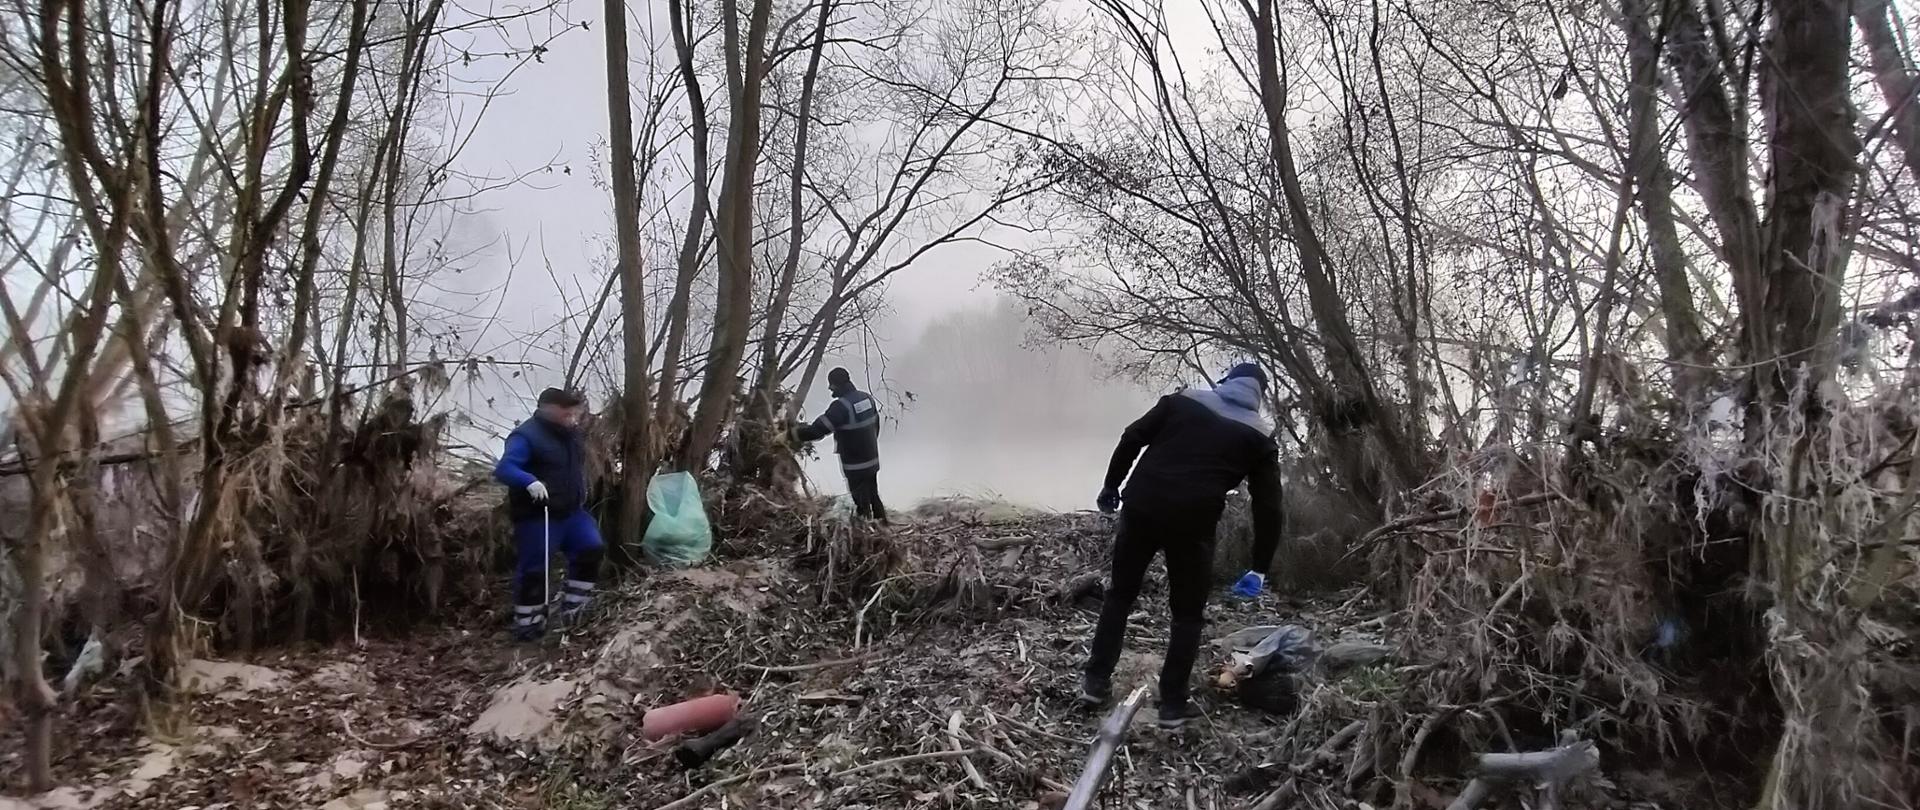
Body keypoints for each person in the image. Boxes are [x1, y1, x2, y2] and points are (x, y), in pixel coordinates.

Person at [1082, 363, 1284, 730]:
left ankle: (1095, 683)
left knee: (1120, 596)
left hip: (1143, 505)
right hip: (1193, 523)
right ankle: (1172, 704)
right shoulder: (1259, 436)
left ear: (1225, 382)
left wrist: (1111, 486)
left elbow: (1132, 436)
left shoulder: (1182, 401)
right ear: (1259, 397)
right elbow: (1269, 506)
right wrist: (1259, 566)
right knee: (1187, 615)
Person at [494, 387, 603, 641]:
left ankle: (574, 609)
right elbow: (505, 468)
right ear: (548, 409)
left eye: (574, 411)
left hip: (572, 512)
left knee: (591, 548)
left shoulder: (571, 434)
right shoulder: (525, 435)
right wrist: (528, 480)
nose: (572, 416)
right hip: (539, 515)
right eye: (567, 411)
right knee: (535, 569)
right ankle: (528, 627)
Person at [793, 367, 887, 523]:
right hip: (872, 460)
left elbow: (817, 431)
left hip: (855, 466)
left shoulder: (840, 407)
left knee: (861, 503)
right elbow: (876, 425)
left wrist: (791, 435)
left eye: (832, 384)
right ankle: (883, 527)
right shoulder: (867, 399)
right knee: (873, 496)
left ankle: (867, 536)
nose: (830, 388)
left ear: (838, 384)